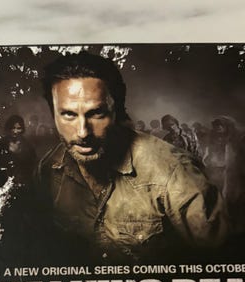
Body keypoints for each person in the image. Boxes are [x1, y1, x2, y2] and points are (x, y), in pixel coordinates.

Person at [38, 52, 227, 262]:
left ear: (116, 110)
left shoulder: (174, 171)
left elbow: (222, 264)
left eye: (96, 113)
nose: (82, 133)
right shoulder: (50, 167)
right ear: (53, 114)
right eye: (68, 114)